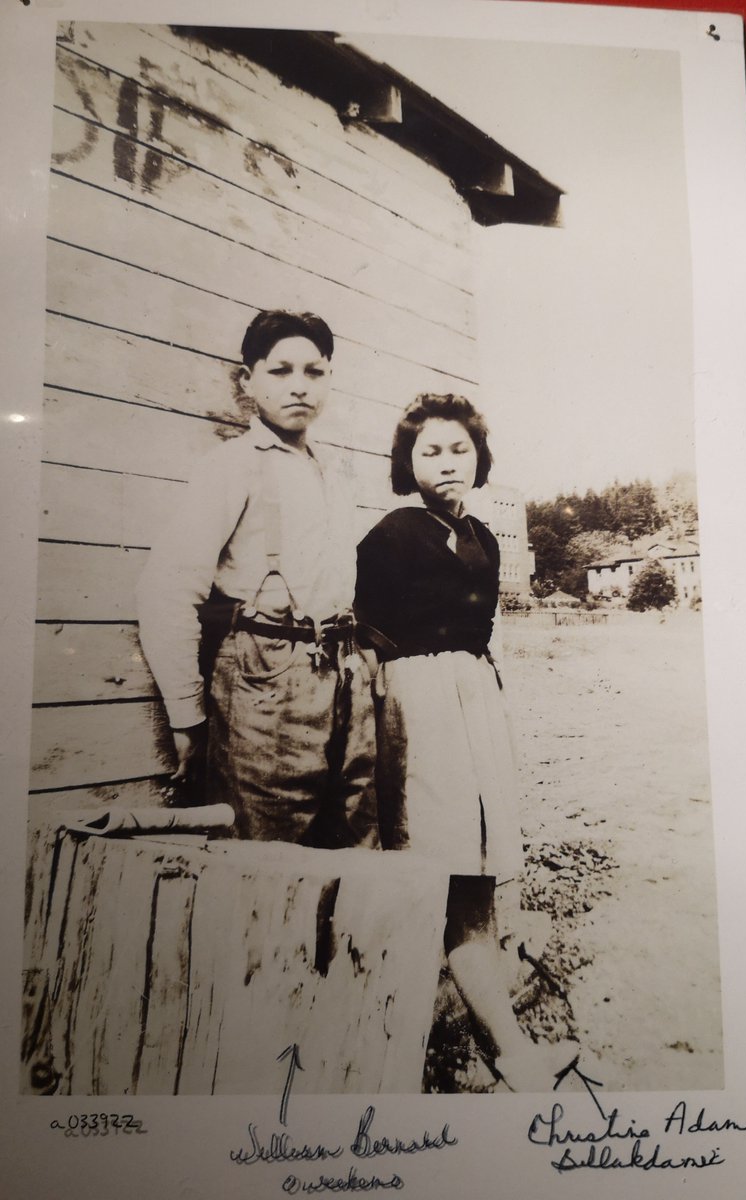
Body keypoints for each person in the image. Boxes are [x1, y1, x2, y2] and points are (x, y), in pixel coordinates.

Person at [354, 393, 573, 1090]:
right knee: (434, 875)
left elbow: (487, 637)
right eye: (429, 451)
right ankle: (473, 1055)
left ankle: (505, 1053)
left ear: (479, 457)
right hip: (416, 721)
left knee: (474, 882)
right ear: (405, 463)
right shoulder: (390, 536)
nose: (446, 462)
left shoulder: (485, 537)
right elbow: (364, 645)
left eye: (458, 449)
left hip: (474, 712)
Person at [137, 310, 378, 849]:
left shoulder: (333, 472)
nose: (298, 386)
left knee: (356, 848)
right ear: (248, 382)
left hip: (342, 680)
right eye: (280, 371)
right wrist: (187, 715)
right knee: (264, 861)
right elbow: (168, 592)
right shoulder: (231, 466)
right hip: (264, 683)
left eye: (314, 372)